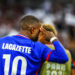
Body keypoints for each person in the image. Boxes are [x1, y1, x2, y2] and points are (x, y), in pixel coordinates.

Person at [0, 15, 68, 75]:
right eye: (39, 31)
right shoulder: (38, 47)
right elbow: (63, 57)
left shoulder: (2, 41)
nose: (39, 34)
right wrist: (53, 38)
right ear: (32, 30)